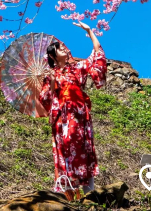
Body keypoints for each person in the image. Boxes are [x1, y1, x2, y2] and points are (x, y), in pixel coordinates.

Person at [39, 21, 107, 200]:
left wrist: (90, 31)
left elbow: (96, 57)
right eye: (60, 49)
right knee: (67, 149)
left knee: (84, 148)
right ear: (53, 56)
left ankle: (89, 193)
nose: (65, 51)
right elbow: (45, 100)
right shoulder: (49, 76)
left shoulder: (76, 68)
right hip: (63, 115)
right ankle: (70, 193)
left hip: (80, 113)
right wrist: (53, 81)